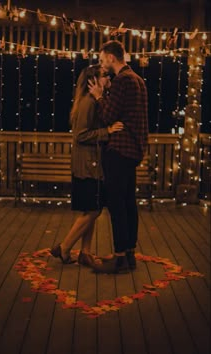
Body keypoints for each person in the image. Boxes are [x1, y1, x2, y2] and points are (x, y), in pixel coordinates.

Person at [50, 64, 124, 267]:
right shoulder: (87, 103)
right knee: (93, 210)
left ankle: (85, 252)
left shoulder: (94, 101)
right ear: (92, 81)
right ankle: (64, 247)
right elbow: (80, 135)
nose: (108, 77)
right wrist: (107, 131)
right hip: (87, 164)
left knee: (90, 208)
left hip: (91, 162)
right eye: (103, 75)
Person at [88, 40, 149, 274]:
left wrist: (99, 96)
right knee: (128, 202)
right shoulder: (138, 80)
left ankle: (120, 256)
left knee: (116, 204)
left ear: (112, 58)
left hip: (119, 150)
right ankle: (130, 253)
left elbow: (108, 116)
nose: (102, 64)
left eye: (103, 59)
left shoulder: (122, 80)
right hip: (134, 149)